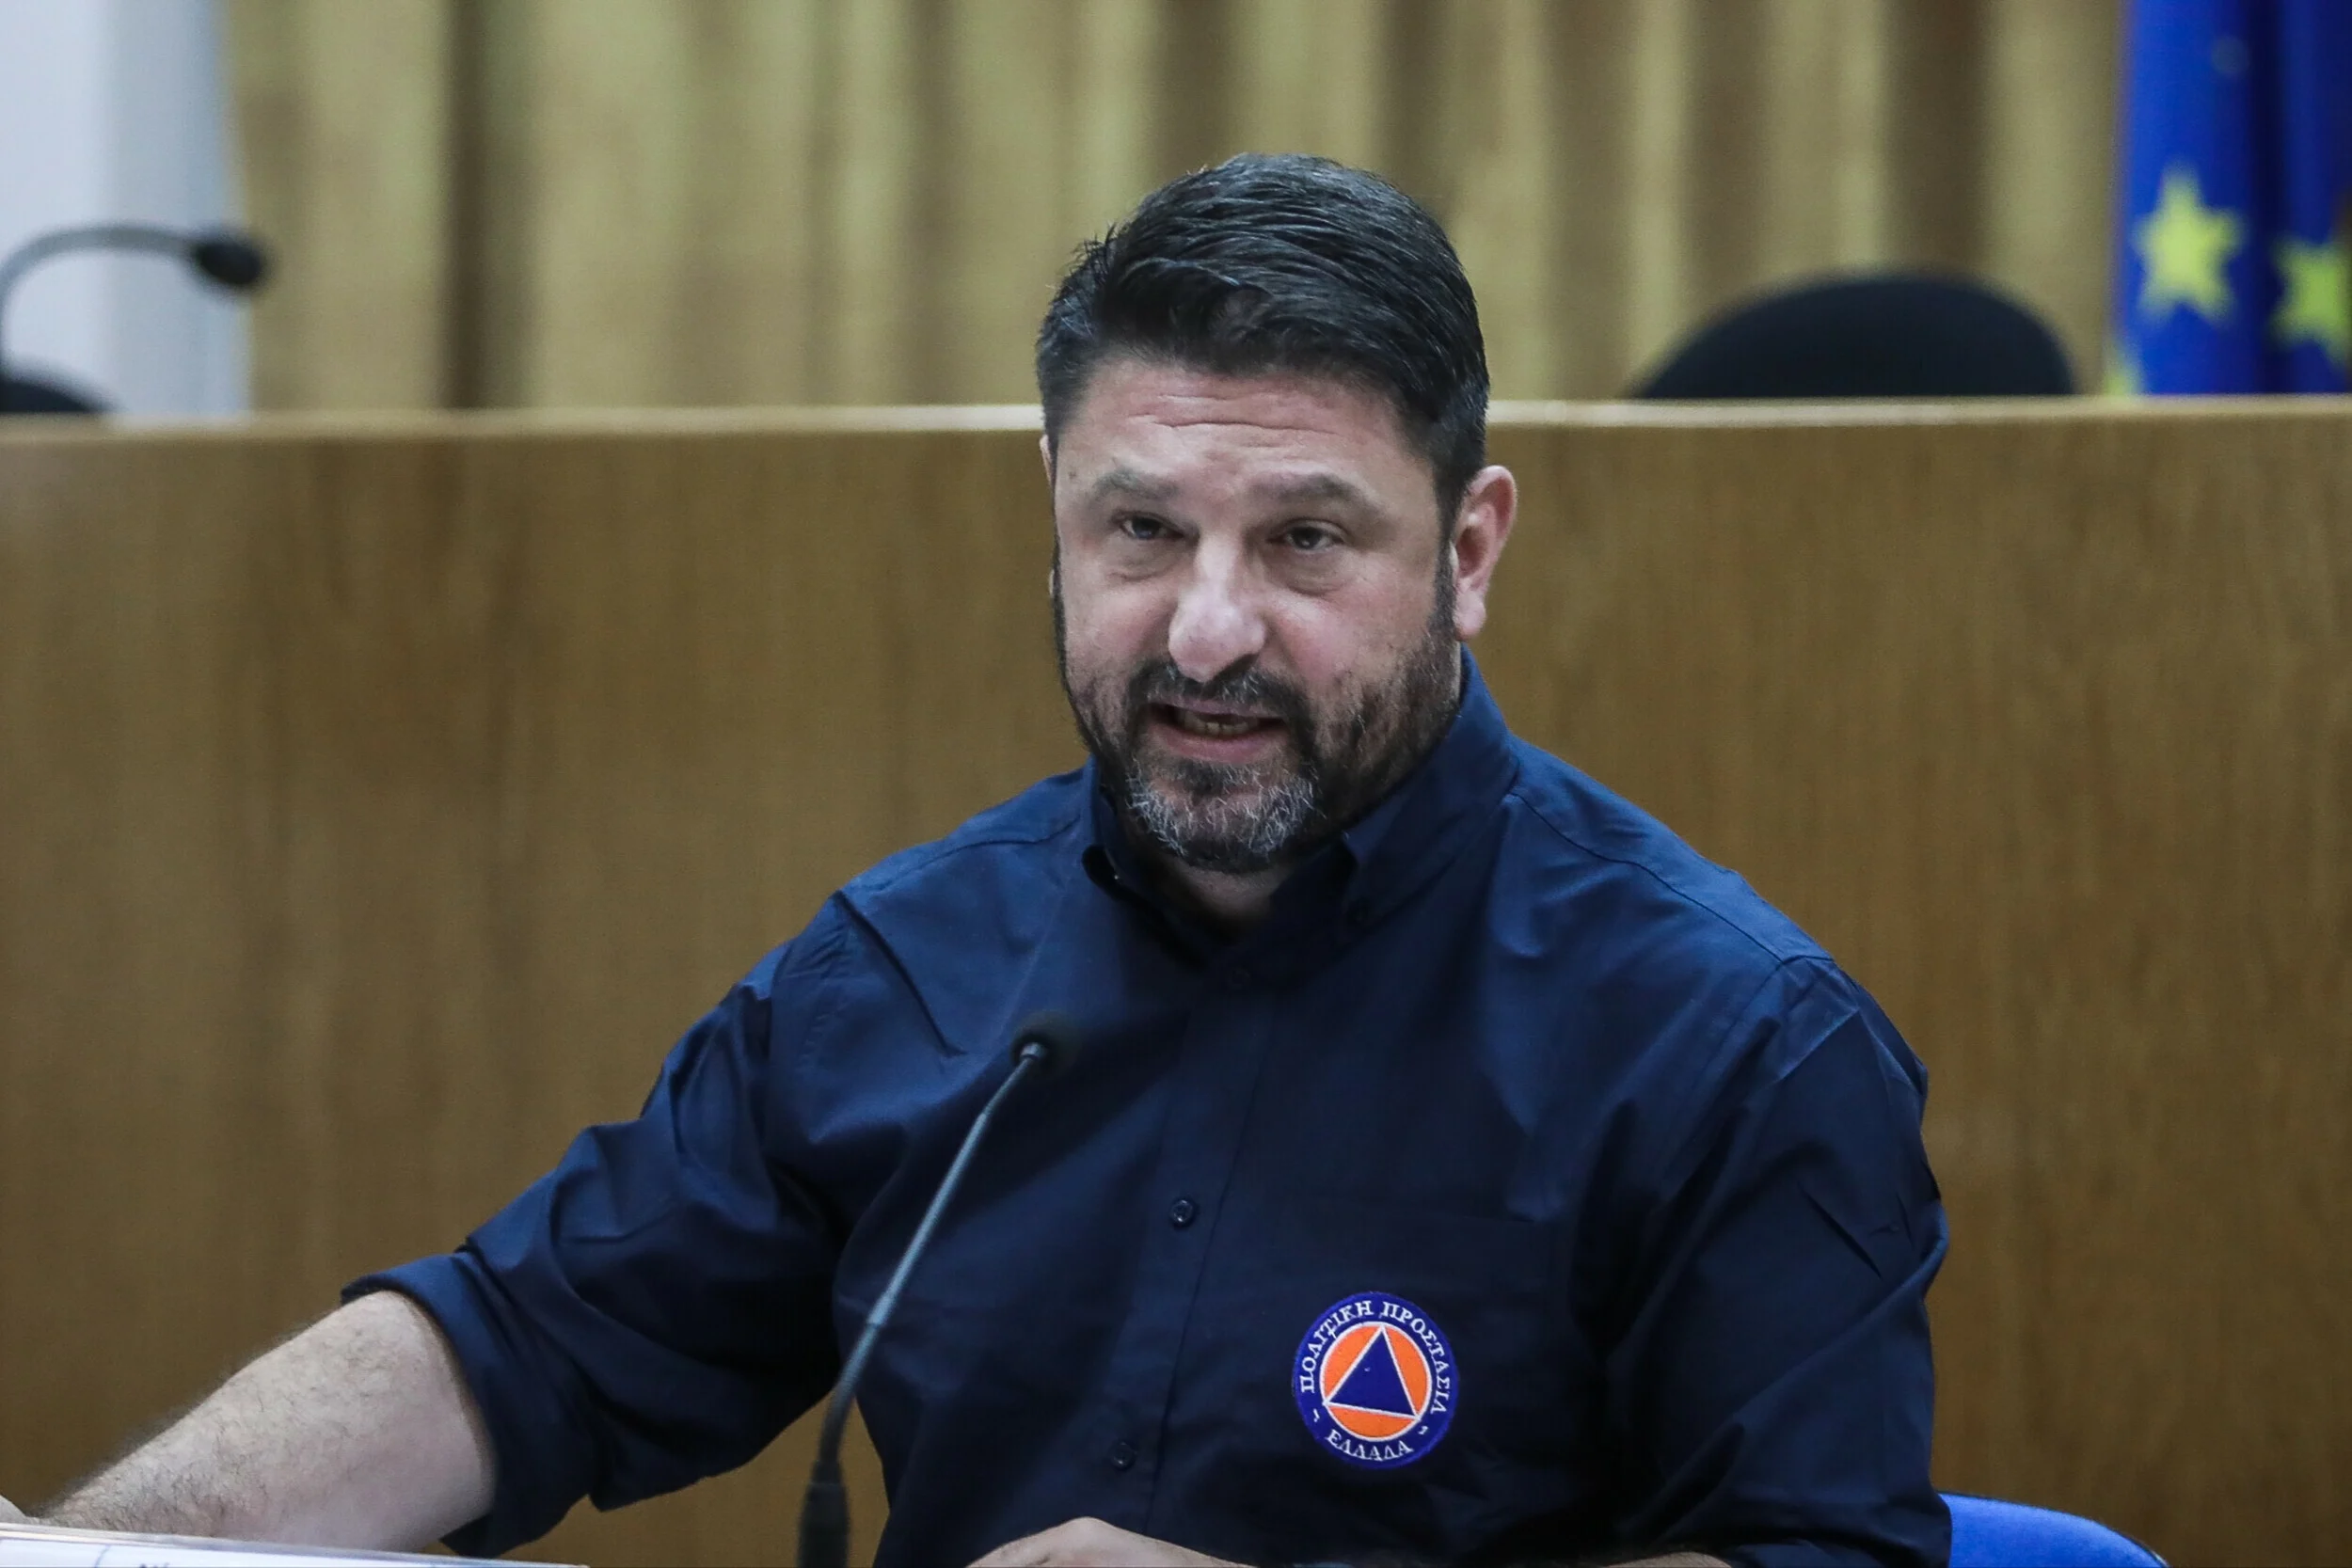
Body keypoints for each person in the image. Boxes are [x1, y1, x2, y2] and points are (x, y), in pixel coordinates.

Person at [0, 154, 1947, 1568]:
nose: (1206, 630)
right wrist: (90, 1551)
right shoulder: (909, 968)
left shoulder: (1730, 1039)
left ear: (1469, 548)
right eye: (1139, 531)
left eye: (1302, 540)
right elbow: (519, 1347)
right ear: (1053, 514)